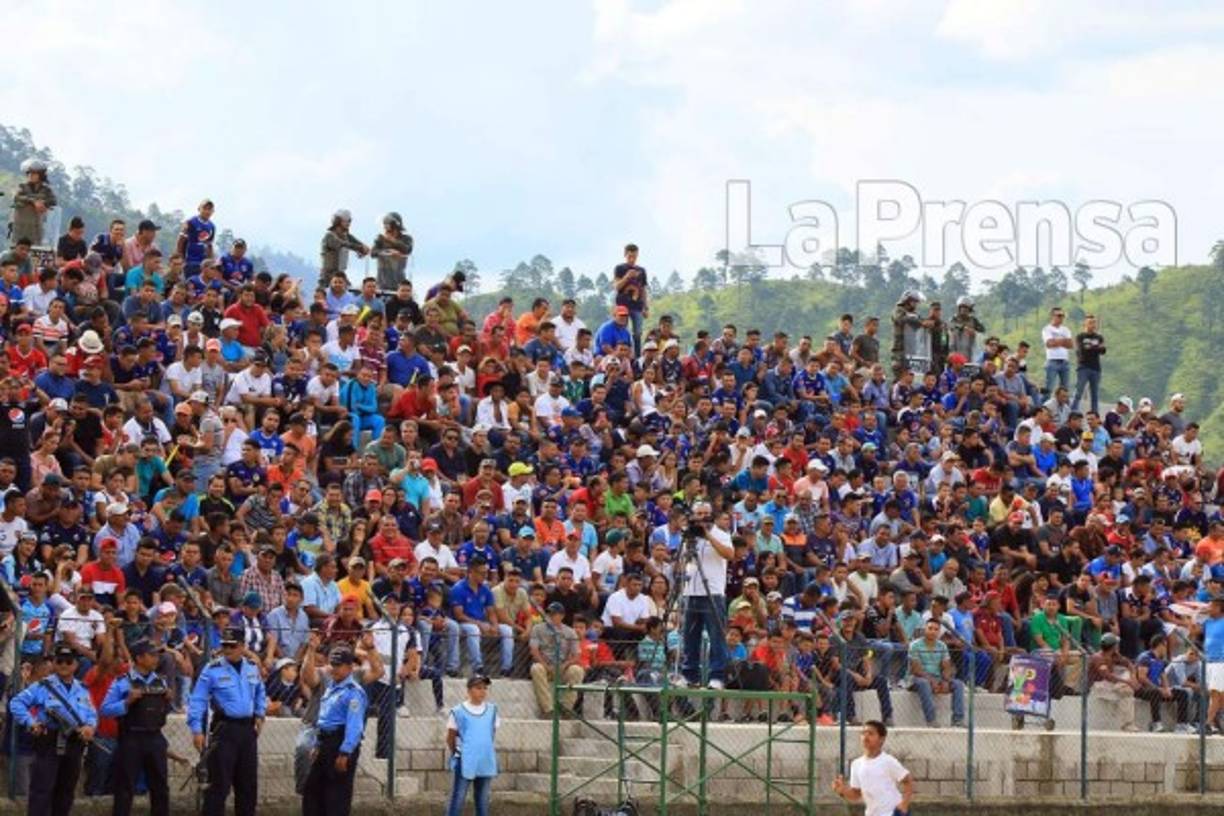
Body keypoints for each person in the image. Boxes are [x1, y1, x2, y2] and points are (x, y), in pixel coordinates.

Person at [187, 626, 268, 816]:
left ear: (242, 646)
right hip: (224, 730)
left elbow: (260, 692)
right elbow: (197, 699)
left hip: (248, 731)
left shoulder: (251, 667)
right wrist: (197, 729)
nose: (228, 649)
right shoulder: (212, 669)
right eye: (225, 645)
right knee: (219, 784)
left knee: (248, 784)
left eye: (232, 646)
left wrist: (260, 713)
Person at [9, 643, 98, 816]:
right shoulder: (42, 686)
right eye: (60, 661)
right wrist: (31, 722)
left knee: (66, 791)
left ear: (76, 664)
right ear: (54, 663)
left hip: (74, 742)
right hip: (49, 741)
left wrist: (90, 727)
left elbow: (91, 713)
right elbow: (16, 703)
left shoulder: (82, 689)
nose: (64, 665)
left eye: (68, 661)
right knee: (42, 790)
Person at [99, 638, 172, 816]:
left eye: (157, 655)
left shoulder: (161, 682)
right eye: (151, 655)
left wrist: (168, 700)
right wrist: (126, 702)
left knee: (160, 786)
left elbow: (161, 711)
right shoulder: (122, 682)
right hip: (131, 738)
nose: (156, 659)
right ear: (139, 658)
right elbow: (105, 709)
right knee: (125, 787)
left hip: (155, 736)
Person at [302, 646, 369, 816]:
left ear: (349, 667)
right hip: (325, 741)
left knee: (336, 797)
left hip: (340, 743)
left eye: (339, 665)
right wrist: (317, 743)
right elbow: (324, 719)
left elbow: (354, 726)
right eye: (332, 664)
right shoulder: (331, 687)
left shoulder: (354, 692)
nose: (334, 668)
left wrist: (345, 752)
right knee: (313, 793)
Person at [681, 503, 733, 688]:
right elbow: (683, 561)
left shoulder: (721, 534)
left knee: (716, 636)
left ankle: (717, 676)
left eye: (705, 514)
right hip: (691, 591)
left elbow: (729, 554)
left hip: (713, 592)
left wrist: (708, 535)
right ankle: (689, 675)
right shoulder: (690, 536)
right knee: (690, 636)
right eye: (699, 514)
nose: (702, 517)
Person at [832, 720, 914, 816]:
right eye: (863, 733)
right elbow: (856, 794)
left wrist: (904, 804)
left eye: (870, 733)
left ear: (881, 739)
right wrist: (842, 791)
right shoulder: (856, 764)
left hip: (892, 813)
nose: (865, 737)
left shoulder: (888, 761)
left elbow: (908, 780)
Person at [445, 675, 500, 816]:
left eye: (485, 688)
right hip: (465, 760)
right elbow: (450, 736)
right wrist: (457, 753)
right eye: (478, 688)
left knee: (482, 798)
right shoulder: (458, 711)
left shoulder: (492, 710)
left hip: (484, 759)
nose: (482, 691)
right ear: (469, 690)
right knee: (458, 797)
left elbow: (491, 733)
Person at [1071, 313, 1106, 414]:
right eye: (1090, 323)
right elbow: (1082, 350)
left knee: (1095, 394)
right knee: (1079, 391)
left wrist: (1090, 347)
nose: (1093, 325)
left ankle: (1095, 414)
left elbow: (1103, 350)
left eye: (1094, 323)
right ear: (1085, 324)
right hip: (1083, 367)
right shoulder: (1080, 337)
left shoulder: (1099, 337)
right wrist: (1095, 347)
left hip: (1096, 368)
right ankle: (1072, 412)